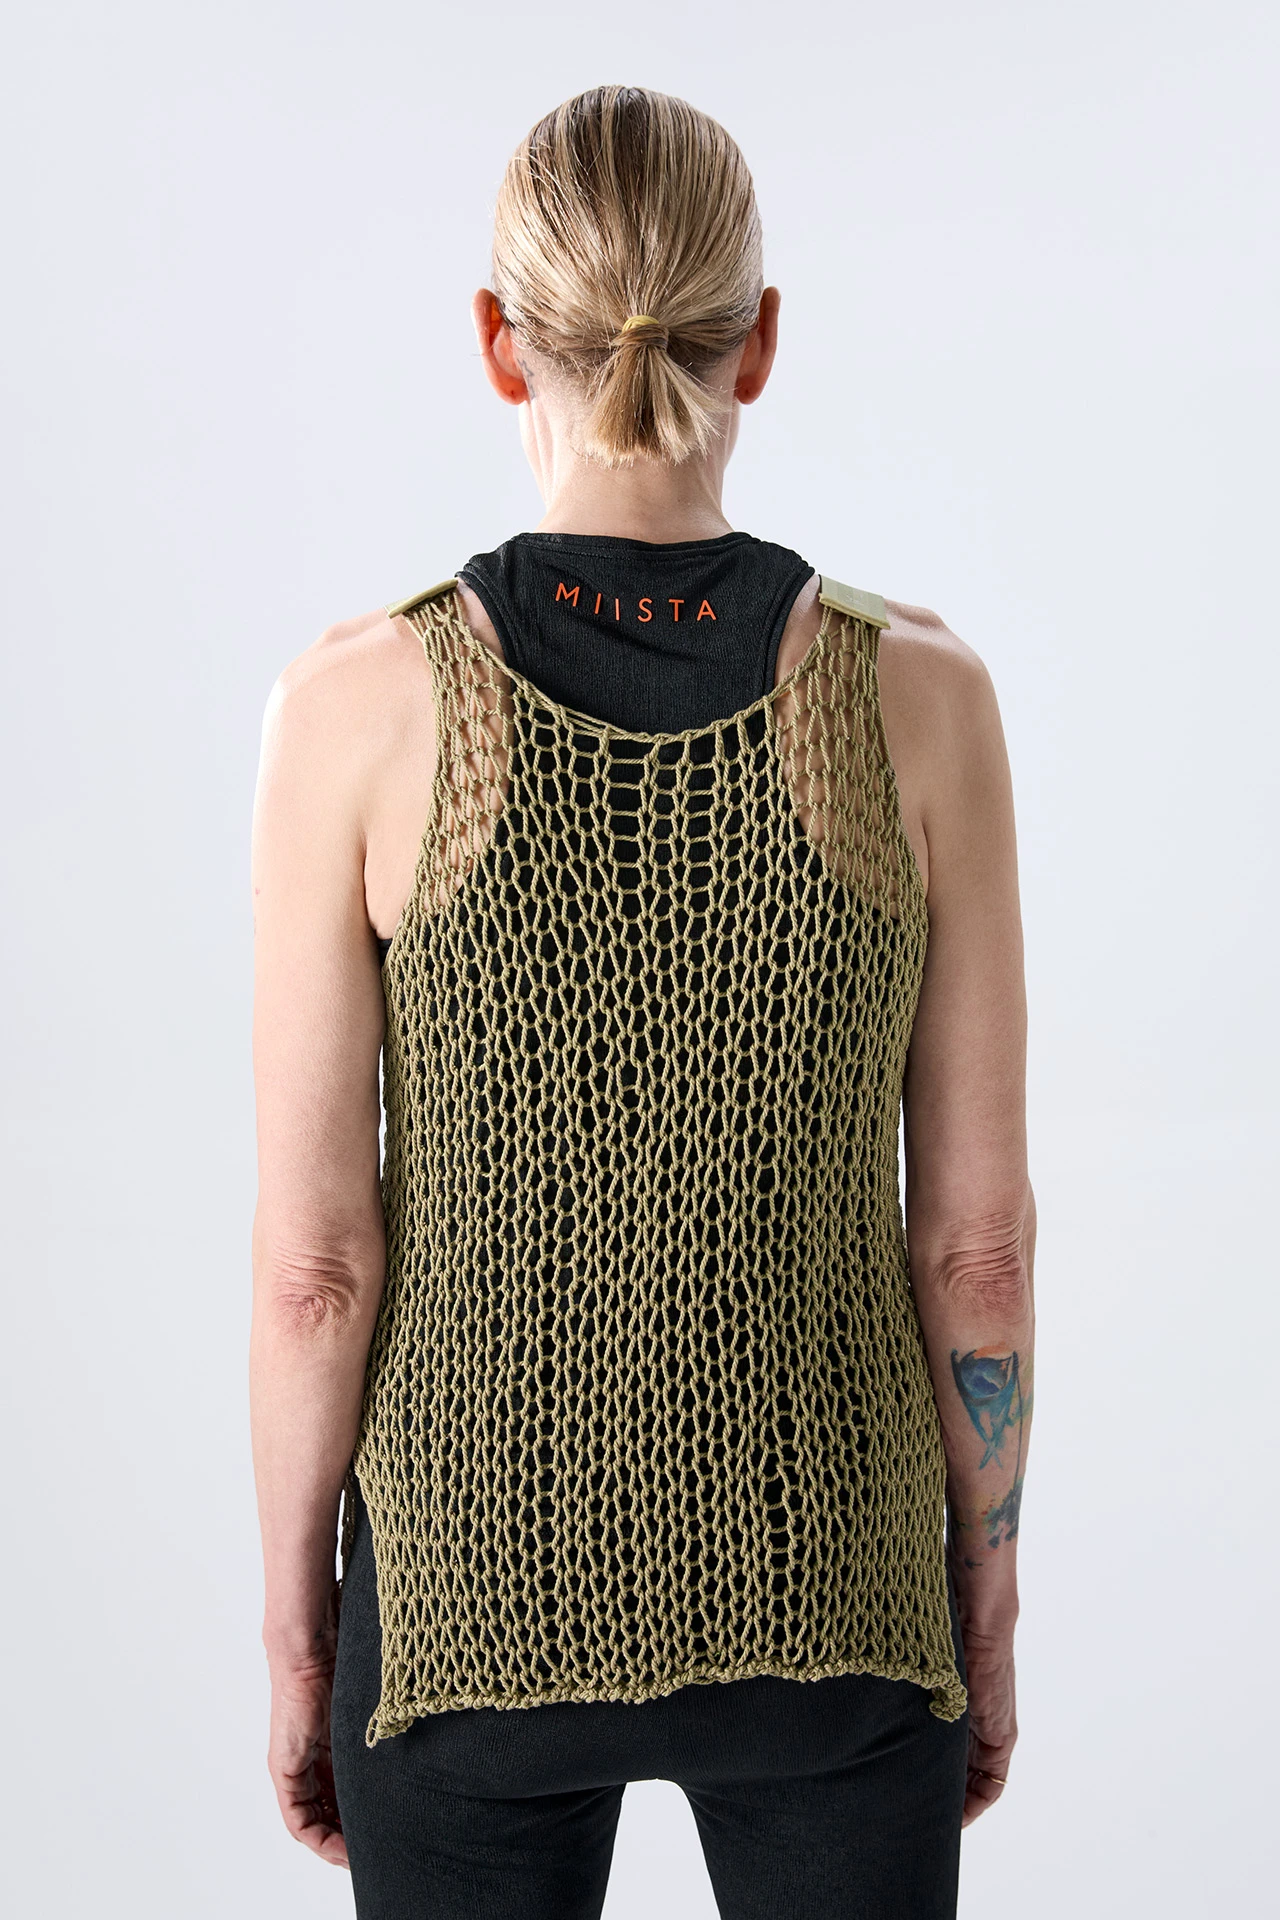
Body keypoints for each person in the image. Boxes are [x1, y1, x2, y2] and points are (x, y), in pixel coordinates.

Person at [249, 84, 1035, 1920]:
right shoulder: (921, 698)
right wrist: (985, 1597)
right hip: (839, 1596)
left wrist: (304, 1633)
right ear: (757, 341)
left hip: (463, 1605)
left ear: (495, 340)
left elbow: (318, 1269)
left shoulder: (359, 708)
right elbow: (976, 1247)